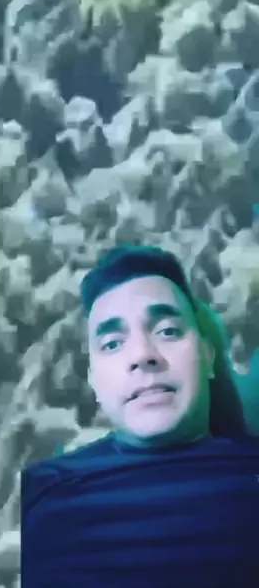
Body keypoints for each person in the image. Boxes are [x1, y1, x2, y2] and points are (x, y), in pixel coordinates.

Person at [21, 244, 259, 588]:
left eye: (167, 331)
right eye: (113, 344)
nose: (142, 355)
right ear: (94, 381)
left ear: (208, 355)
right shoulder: (41, 491)